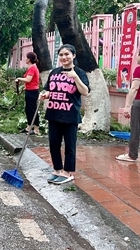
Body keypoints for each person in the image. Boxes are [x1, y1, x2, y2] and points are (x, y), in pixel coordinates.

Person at [41, 44, 90, 185]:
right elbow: (49, 90)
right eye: (61, 55)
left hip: (70, 115)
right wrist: (44, 94)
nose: (64, 57)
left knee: (70, 145)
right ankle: (57, 169)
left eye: (67, 54)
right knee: (54, 144)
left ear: (73, 55)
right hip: (54, 113)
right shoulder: (54, 72)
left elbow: (85, 92)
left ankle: (68, 172)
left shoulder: (79, 73)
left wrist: (75, 77)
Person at [117, 46, 140, 164]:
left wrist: (127, 106)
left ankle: (132, 155)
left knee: (136, 129)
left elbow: (134, 88)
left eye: (138, 54)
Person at [15, 52, 41, 135]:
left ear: (29, 59)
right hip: (29, 90)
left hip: (33, 91)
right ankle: (29, 127)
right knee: (28, 109)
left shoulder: (32, 68)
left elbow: (28, 79)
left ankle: (36, 129)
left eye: (26, 57)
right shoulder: (31, 67)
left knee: (33, 109)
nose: (25, 59)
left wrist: (19, 78)